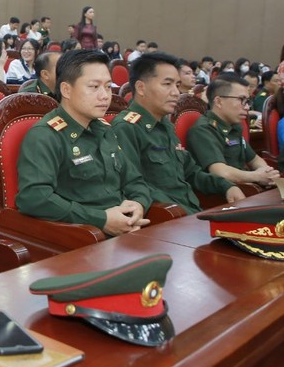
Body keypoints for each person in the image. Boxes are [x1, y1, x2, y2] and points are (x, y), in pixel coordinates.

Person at [16, 50, 153, 236]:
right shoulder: (45, 135)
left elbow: (135, 180)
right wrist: (101, 220)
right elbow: (34, 198)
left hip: (125, 233)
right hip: (80, 239)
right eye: (94, 87)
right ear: (66, 90)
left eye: (107, 86)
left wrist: (138, 203)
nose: (105, 96)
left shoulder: (105, 130)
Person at [113, 53, 244, 214]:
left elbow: (191, 172)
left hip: (189, 214)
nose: (176, 92)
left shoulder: (165, 125)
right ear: (141, 88)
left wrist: (226, 186)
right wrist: (186, 214)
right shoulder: (127, 128)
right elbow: (133, 187)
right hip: (166, 220)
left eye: (177, 85)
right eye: (167, 84)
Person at [187, 73, 280, 187]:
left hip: (246, 189)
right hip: (222, 196)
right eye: (242, 99)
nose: (247, 107)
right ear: (219, 101)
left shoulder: (234, 127)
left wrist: (266, 172)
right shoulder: (203, 130)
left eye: (247, 101)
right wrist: (257, 176)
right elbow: (221, 172)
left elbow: (254, 159)